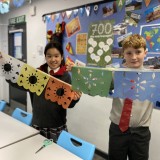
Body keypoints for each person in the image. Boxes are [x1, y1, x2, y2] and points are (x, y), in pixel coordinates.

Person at [8, 41, 82, 142]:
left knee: (54, 155)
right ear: (45, 57)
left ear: (61, 57)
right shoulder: (37, 73)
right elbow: (20, 83)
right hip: (37, 124)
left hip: (56, 126)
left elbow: (69, 104)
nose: (53, 59)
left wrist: (75, 99)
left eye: (56, 56)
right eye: (49, 56)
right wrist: (8, 72)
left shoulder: (65, 77)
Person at [108, 34, 153, 160]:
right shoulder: (115, 75)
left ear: (145, 53)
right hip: (118, 130)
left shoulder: (154, 77)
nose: (134, 57)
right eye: (129, 53)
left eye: (138, 52)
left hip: (141, 133)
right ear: (123, 54)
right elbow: (96, 88)